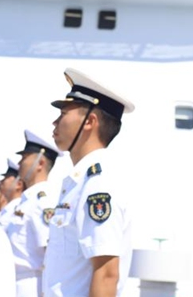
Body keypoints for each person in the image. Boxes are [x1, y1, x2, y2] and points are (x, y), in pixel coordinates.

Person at [42, 68, 135, 297]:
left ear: (89, 121)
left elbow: (106, 273)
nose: (55, 122)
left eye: (63, 113)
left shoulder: (98, 184)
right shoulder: (79, 182)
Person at [6, 129, 61, 297]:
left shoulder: (43, 202)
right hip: (15, 282)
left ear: (40, 163)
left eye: (24, 157)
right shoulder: (27, 200)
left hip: (31, 286)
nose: (20, 163)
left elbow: (50, 254)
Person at [0, 158, 24, 228]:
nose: (2, 181)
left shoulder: (18, 211)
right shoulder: (6, 211)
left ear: (18, 184)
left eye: (6, 177)